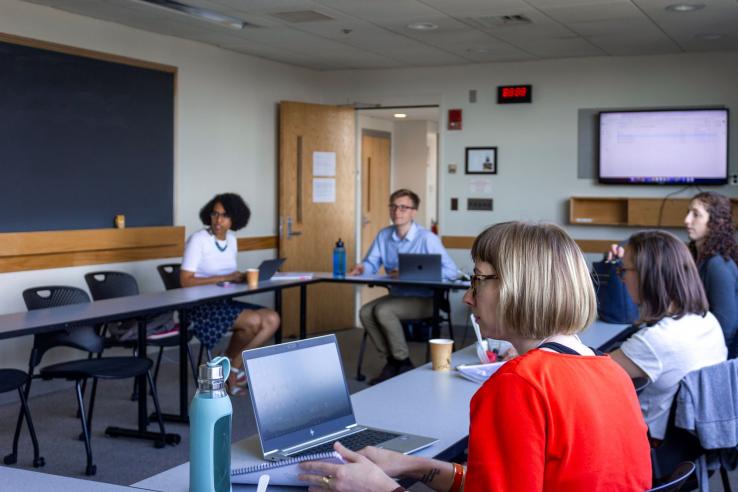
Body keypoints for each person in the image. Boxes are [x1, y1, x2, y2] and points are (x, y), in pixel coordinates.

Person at [300, 222, 652, 491]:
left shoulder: (519, 384)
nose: (468, 298)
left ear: (519, 288)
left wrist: (379, 487)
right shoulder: (610, 372)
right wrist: (411, 466)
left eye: (478, 280)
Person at [609, 230, 727, 441]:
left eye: (623, 270)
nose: (623, 278)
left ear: (648, 276)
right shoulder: (707, 320)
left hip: (647, 445)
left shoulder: (653, 342)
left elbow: (587, 378)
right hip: (689, 444)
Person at [349, 189, 458, 385]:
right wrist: (362, 267)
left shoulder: (426, 238)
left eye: (403, 207)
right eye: (393, 206)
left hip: (426, 300)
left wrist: (409, 273)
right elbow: (372, 263)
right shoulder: (384, 235)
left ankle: (402, 361)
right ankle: (394, 361)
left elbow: (452, 272)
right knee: (365, 312)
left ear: (413, 212)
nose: (397, 211)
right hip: (398, 296)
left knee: (383, 311)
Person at [180, 193, 280, 395]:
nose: (218, 220)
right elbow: (185, 281)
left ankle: (231, 365)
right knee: (252, 321)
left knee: (272, 318)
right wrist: (224, 277)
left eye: (224, 215)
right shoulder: (198, 240)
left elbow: (227, 277)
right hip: (200, 306)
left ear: (234, 219)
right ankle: (230, 371)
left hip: (224, 301)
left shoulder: (232, 240)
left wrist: (240, 277)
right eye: (215, 214)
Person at [685, 191, 738, 357]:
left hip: (714, 359)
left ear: (716, 222)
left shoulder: (718, 265)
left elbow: (726, 327)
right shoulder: (696, 256)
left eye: (696, 215)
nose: (686, 220)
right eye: (688, 213)